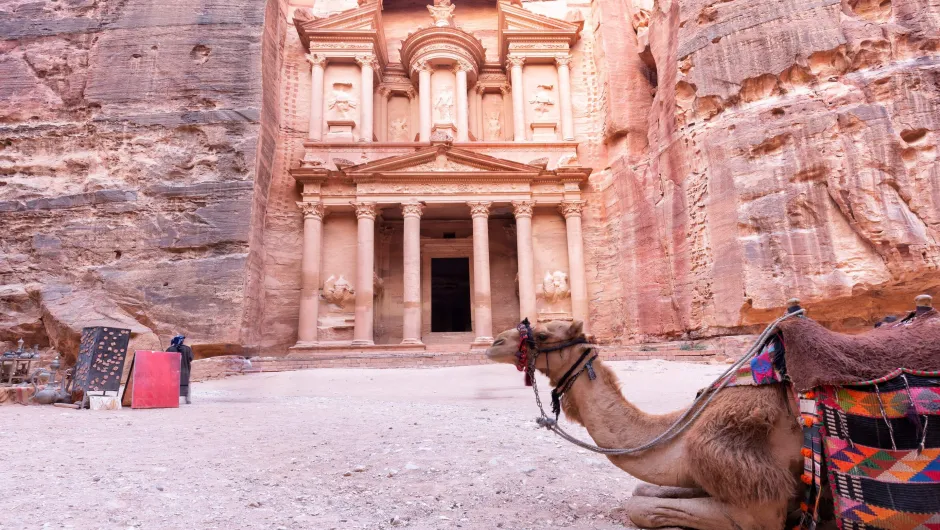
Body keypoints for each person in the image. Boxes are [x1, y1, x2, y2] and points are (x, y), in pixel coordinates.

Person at [167, 335, 194, 404]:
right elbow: (191, 358)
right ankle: (188, 400)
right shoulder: (188, 349)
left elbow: (166, 360)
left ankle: (172, 399)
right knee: (187, 383)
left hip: (173, 371)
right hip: (185, 370)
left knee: (172, 384)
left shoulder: (170, 349)